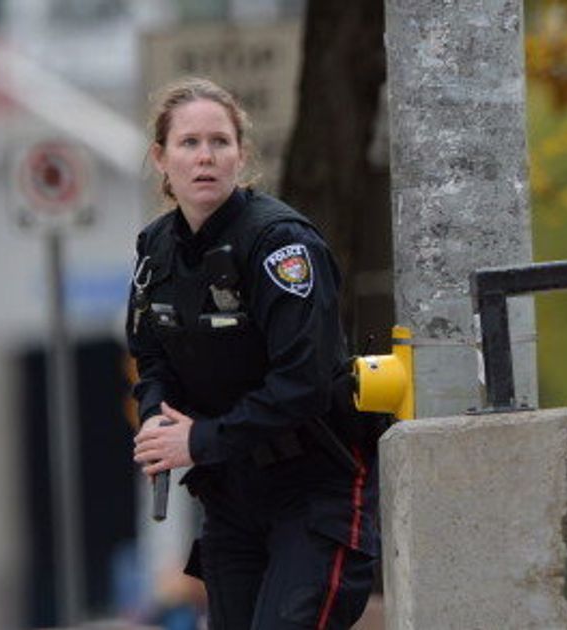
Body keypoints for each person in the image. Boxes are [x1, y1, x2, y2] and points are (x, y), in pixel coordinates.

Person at [128, 77, 382, 630]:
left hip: (315, 485)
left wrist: (198, 439)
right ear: (161, 158)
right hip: (231, 494)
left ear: (241, 154)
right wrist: (156, 417)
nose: (205, 158)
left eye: (219, 142)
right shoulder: (156, 249)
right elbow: (152, 358)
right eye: (189, 143)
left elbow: (305, 382)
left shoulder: (280, 244)